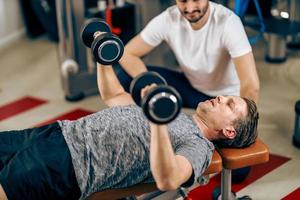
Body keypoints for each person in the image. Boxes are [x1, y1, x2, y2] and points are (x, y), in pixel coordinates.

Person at [0, 63, 259, 200]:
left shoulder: (199, 146)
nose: (221, 98)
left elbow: (169, 179)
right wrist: (103, 56)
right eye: (226, 96)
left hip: (68, 166)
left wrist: (157, 120)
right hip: (56, 133)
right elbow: (114, 95)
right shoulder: (174, 112)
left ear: (229, 132)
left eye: (230, 104)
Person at [118, 0, 260, 107]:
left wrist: (243, 123)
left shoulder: (228, 22)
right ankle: (147, 127)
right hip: (191, 88)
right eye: (183, 1)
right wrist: (149, 83)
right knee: (125, 77)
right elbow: (127, 54)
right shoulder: (169, 18)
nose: (190, 8)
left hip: (222, 99)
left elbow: (251, 84)